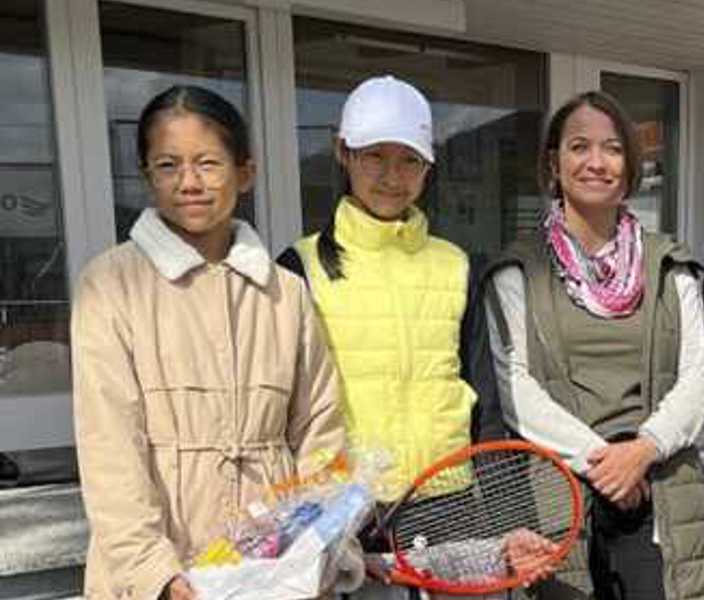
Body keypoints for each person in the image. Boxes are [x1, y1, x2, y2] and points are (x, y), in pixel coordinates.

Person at [72, 85, 359, 600]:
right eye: (167, 166)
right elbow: (108, 446)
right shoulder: (109, 284)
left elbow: (321, 431)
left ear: (244, 172)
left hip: (272, 570)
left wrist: (316, 546)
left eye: (208, 163)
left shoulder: (286, 293)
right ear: (146, 176)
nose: (189, 182)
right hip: (163, 568)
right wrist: (155, 573)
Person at [483, 90, 704, 600]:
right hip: (562, 492)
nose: (596, 162)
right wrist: (606, 460)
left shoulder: (670, 266)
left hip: (660, 490)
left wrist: (642, 450)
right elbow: (516, 388)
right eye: (579, 147)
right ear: (554, 162)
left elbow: (696, 375)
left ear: (631, 165)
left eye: (612, 148)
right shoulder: (517, 271)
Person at [276, 75, 505, 596]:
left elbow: (484, 395)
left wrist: (497, 505)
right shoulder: (300, 266)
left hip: (450, 499)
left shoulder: (457, 265)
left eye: (409, 160)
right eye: (374, 156)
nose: (391, 176)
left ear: (428, 167)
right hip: (350, 514)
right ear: (343, 153)